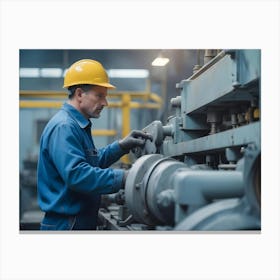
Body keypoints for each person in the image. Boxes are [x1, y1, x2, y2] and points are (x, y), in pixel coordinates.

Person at [37, 59, 152, 230]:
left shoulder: (76, 125)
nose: (105, 103)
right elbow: (77, 175)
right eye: (100, 95)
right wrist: (126, 177)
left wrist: (121, 146)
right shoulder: (65, 127)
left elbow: (91, 162)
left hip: (76, 221)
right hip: (66, 226)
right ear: (79, 94)